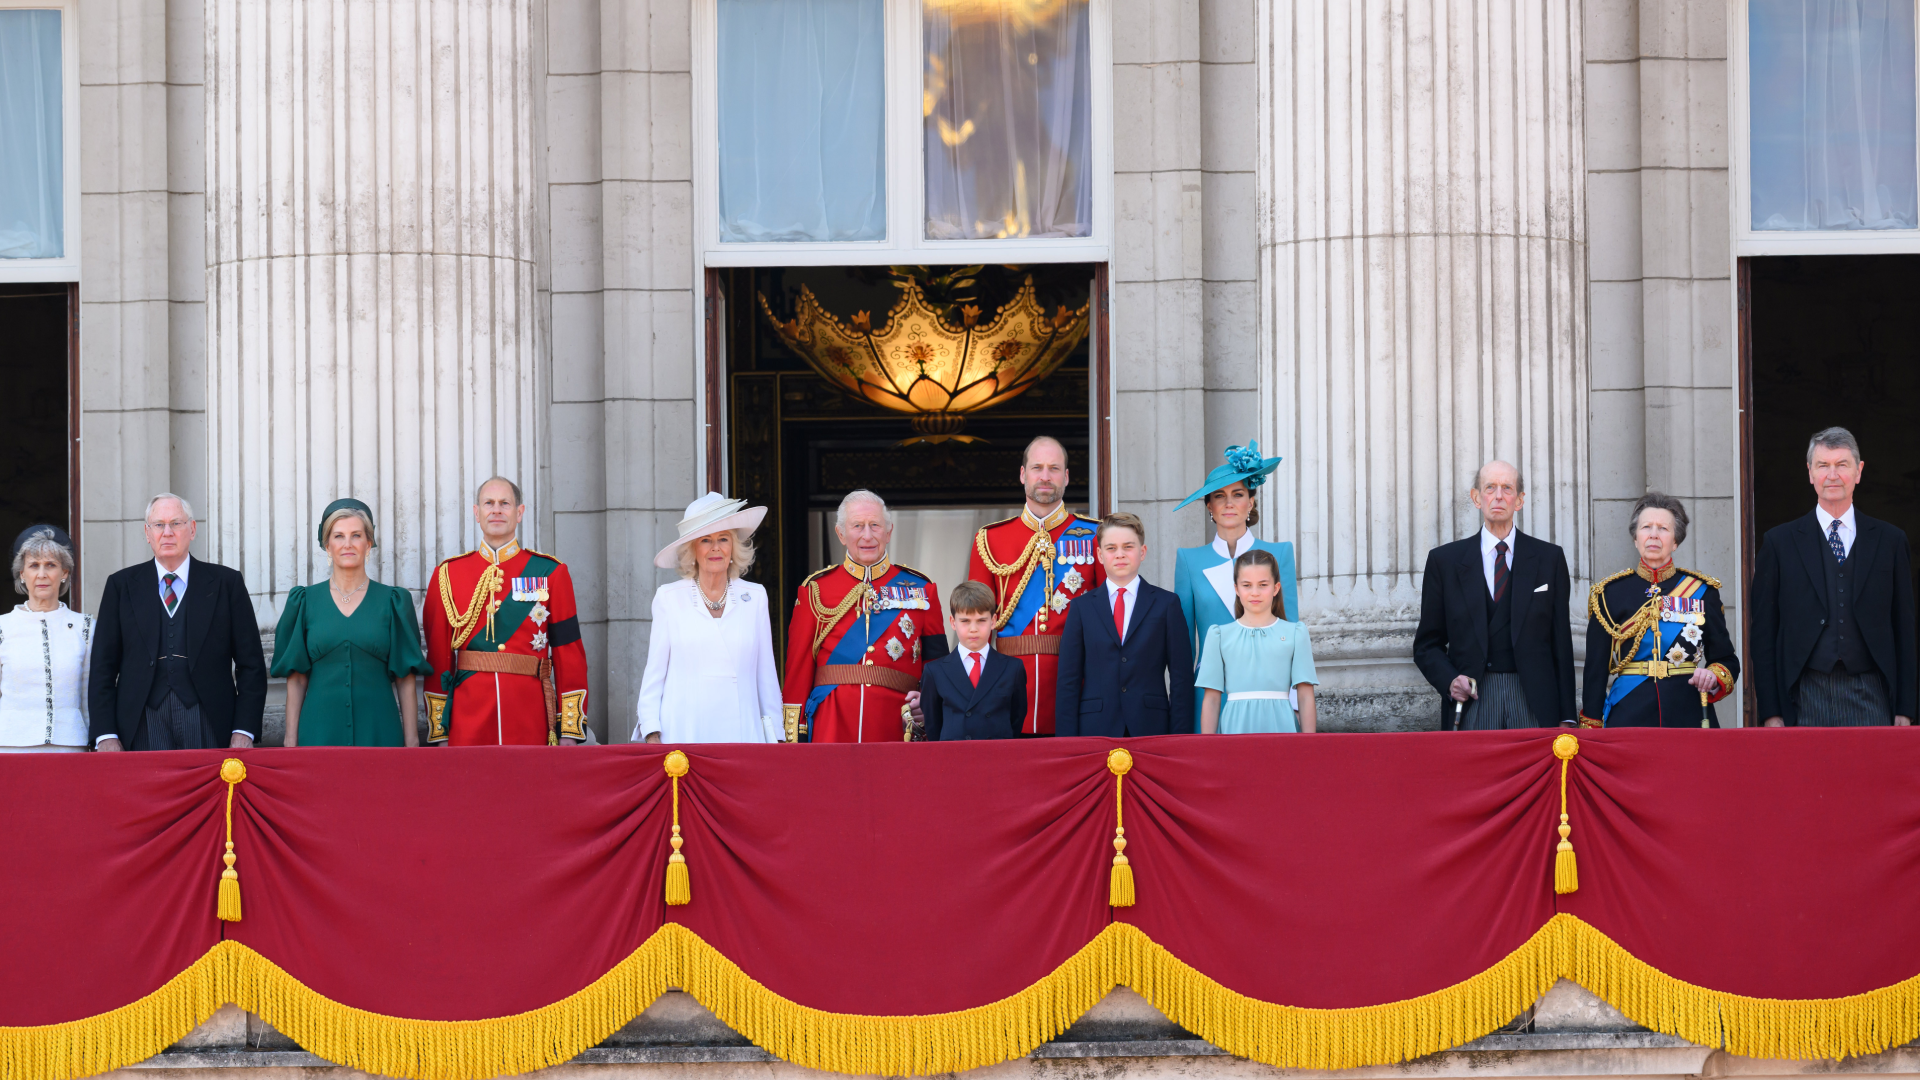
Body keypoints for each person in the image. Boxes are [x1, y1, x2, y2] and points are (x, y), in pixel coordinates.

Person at [1751, 427, 1915, 727]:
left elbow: (1905, 629)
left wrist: (1906, 706)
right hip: (1802, 695)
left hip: (1873, 694)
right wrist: (1771, 712)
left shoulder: (1890, 541)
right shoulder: (1779, 542)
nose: (1833, 475)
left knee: (1870, 775)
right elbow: (1763, 634)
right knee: (1807, 775)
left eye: (1842, 465)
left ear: (1859, 471)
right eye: (1823, 465)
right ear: (1810, 472)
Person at [89, 493, 267, 751]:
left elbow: (251, 665)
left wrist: (244, 729)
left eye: (176, 523)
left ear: (192, 529)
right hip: (141, 722)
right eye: (158, 525)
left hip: (210, 720)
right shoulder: (121, 586)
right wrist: (105, 733)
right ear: (147, 533)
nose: (167, 532)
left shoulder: (226, 584)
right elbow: (102, 668)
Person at [422, 477, 590, 746]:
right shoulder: (448, 575)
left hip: (529, 716)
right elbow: (438, 659)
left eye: (505, 503)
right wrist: (440, 731)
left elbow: (569, 653)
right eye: (489, 503)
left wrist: (569, 729)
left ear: (519, 512)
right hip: (468, 718)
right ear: (477, 513)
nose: (496, 510)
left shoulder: (550, 572)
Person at [1411, 461, 1576, 729]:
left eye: (1507, 488)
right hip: (1474, 699)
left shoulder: (1549, 559)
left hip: (1534, 702)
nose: (1498, 496)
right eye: (1490, 488)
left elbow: (1561, 643)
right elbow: (1426, 644)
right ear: (1477, 498)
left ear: (1519, 500)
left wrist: (1567, 716)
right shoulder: (1445, 561)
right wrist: (1450, 680)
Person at [782, 489, 948, 743]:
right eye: (857, 526)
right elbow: (798, 670)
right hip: (831, 726)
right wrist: (794, 736)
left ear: (889, 532)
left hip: (895, 727)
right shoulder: (815, 590)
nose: (867, 536)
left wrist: (928, 704)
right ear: (841, 534)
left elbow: (936, 665)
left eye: (875, 526)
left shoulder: (921, 589)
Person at [964, 435, 1103, 736]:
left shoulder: (1095, 536)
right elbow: (974, 625)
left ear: (1066, 477)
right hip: (1008, 687)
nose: (1045, 476)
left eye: (1054, 468)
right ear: (1022, 474)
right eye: (1037, 467)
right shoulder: (991, 539)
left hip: (1076, 683)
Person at [270, 500, 432, 747]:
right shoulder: (304, 601)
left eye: (356, 535)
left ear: (369, 543)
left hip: (379, 731)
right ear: (327, 545)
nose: (347, 544)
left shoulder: (394, 601)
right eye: (338, 536)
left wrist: (411, 742)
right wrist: (290, 740)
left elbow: (405, 678)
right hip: (318, 733)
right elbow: (297, 678)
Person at [632, 493, 782, 744]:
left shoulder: (755, 597)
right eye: (705, 540)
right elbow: (654, 674)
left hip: (743, 736)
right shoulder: (669, 598)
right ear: (693, 549)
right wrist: (651, 732)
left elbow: (766, 676)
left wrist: (776, 736)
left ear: (733, 547)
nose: (715, 548)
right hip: (683, 734)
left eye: (723, 539)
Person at [1581, 493, 1738, 727]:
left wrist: (1713, 675)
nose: (1654, 534)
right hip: (1628, 712)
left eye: (1663, 528)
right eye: (1646, 527)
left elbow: (1726, 659)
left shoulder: (1703, 591)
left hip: (1687, 713)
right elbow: (1595, 670)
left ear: (1676, 541)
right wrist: (1591, 726)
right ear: (1636, 537)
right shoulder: (1609, 594)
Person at [1172, 442, 1302, 722]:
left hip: (1270, 695)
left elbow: (1291, 631)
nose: (1229, 503)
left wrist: (1294, 702)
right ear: (1209, 505)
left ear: (1251, 503)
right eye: (1219, 496)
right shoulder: (1188, 561)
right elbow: (1184, 647)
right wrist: (1180, 709)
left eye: (1238, 494)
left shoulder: (1280, 553)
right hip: (1209, 696)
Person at [1055, 513, 1195, 737]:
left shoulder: (1166, 604)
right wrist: (1066, 744)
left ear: (1142, 552)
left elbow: (1181, 679)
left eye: (1128, 547)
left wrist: (1179, 738)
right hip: (1094, 730)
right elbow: (1068, 681)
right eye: (1111, 548)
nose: (1119, 554)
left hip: (1151, 728)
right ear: (1099, 555)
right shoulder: (1081, 608)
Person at [1197, 549, 1318, 733]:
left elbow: (1305, 695)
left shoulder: (1295, 633)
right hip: (1235, 729)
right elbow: (1212, 699)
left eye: (1263, 585)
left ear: (1276, 588)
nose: (1255, 592)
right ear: (1236, 589)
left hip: (1282, 728)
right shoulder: (1219, 636)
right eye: (1247, 585)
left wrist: (1309, 746)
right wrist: (1207, 749)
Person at [0, 525, 92, 752]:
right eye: (33, 566)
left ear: (64, 573)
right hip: (11, 746)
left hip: (70, 745)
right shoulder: (3, 626)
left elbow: (89, 695)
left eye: (51, 565)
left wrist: (94, 740)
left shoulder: (86, 627)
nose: (42, 574)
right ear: (22, 574)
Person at [920, 580, 1027, 741]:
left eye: (981, 620)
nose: (973, 629)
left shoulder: (1013, 668)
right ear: (952, 622)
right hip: (953, 759)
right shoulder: (935, 671)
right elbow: (933, 724)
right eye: (965, 621)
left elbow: (1016, 718)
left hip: (998, 758)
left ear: (993, 621)